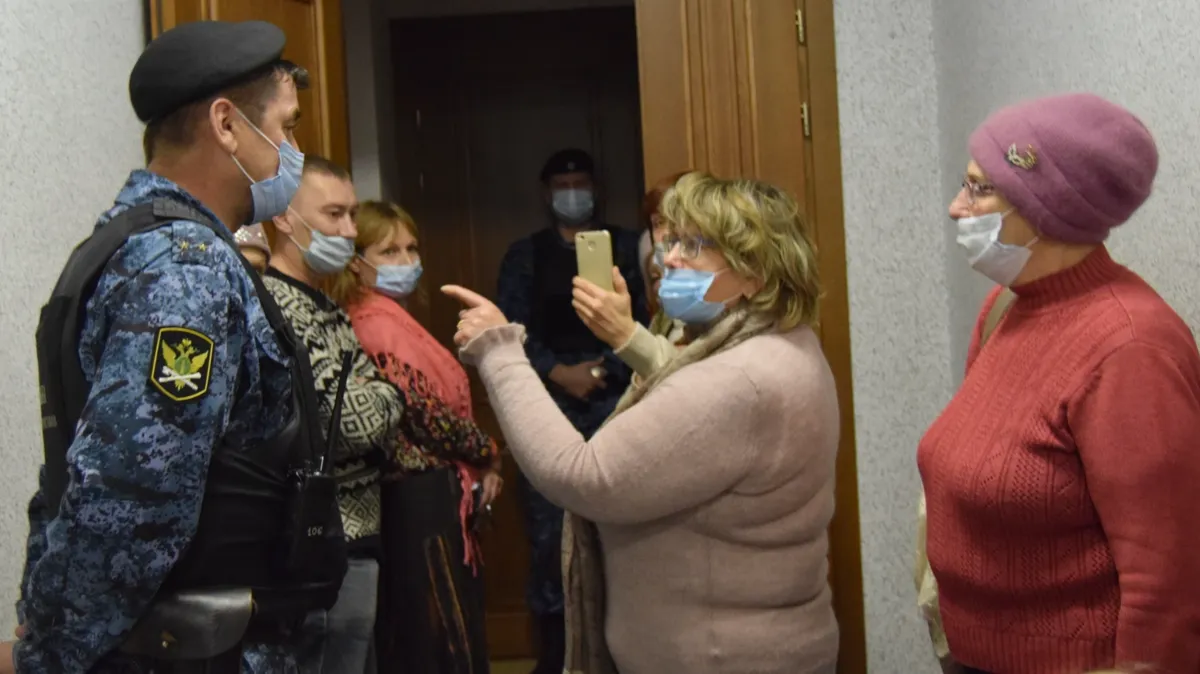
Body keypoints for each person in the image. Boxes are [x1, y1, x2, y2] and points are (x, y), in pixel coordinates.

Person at [16, 20, 340, 673]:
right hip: (194, 652)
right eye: (287, 126)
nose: (293, 151)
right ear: (227, 126)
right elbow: (132, 496)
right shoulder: (183, 266)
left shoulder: (143, 243)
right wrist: (51, 655)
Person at [446, 172, 841, 673]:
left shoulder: (741, 378)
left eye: (694, 246)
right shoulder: (784, 342)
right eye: (671, 241)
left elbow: (582, 476)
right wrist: (627, 333)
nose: (667, 258)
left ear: (755, 274)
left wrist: (499, 350)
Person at [918, 93, 1200, 674]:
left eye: (979, 189)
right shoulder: (1004, 309)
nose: (955, 207)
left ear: (1046, 206)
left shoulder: (1131, 348)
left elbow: (1169, 579)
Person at [325, 200, 501, 673]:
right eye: (389, 252)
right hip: (414, 503)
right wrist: (487, 452)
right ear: (356, 262)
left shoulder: (392, 317)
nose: (406, 261)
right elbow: (422, 414)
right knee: (435, 638)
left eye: (411, 248)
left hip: (430, 496)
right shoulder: (372, 324)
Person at [494, 147, 649, 671]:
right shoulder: (525, 256)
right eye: (563, 186)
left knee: (618, 536)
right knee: (549, 543)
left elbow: (646, 322)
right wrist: (560, 373)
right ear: (546, 193)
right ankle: (556, 658)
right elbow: (511, 328)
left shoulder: (626, 247)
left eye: (581, 183)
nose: (573, 194)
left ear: (596, 188)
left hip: (617, 404)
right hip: (548, 407)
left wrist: (602, 373)